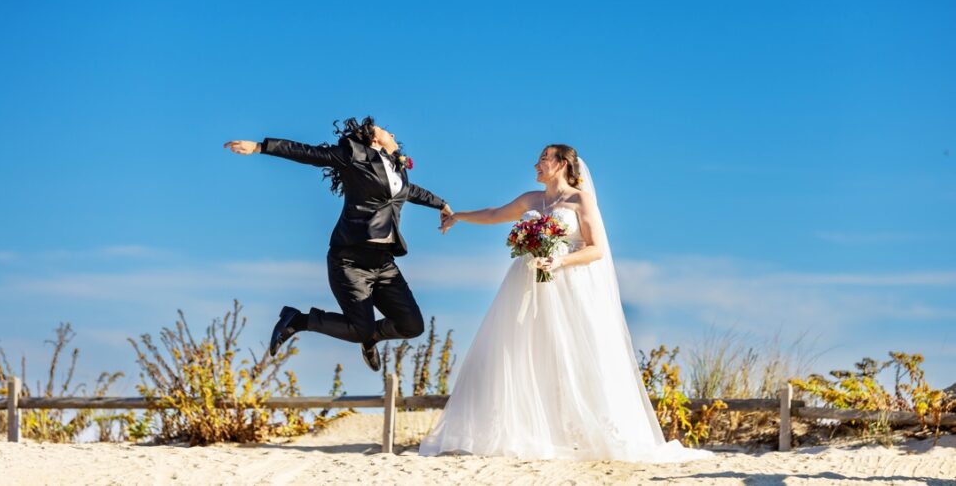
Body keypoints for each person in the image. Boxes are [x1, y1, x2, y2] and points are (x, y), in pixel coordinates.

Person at [418, 144, 714, 462]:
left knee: (571, 352)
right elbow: (494, 214)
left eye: (544, 159)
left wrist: (559, 262)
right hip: (526, 282)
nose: (537, 164)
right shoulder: (531, 199)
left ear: (561, 164)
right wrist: (458, 216)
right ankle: (520, 428)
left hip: (568, 283)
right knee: (515, 349)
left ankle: (583, 432)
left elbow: (596, 249)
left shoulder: (580, 199)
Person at [224, 117, 453, 372]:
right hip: (350, 260)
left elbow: (410, 191)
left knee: (412, 326)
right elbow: (308, 153)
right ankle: (298, 320)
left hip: (383, 262)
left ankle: (372, 337)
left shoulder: (397, 169)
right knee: (358, 329)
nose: (391, 132)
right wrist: (259, 146)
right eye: (386, 130)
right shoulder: (353, 155)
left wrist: (441, 204)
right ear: (374, 138)